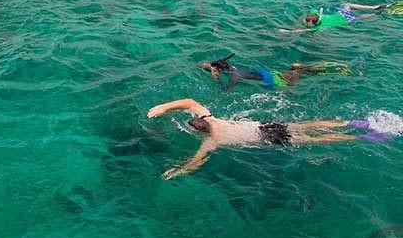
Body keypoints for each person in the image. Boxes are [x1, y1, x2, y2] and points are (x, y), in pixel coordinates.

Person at [147, 98, 374, 180]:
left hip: (271, 139)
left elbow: (198, 162)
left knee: (315, 140)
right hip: (267, 126)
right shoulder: (212, 118)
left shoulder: (212, 141)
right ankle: (352, 124)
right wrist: (164, 107)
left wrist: (178, 171)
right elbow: (190, 102)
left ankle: (360, 137)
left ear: (200, 131)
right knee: (309, 126)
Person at [199, 53, 351, 91]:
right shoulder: (232, 69)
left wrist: (216, 79)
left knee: (292, 84)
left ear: (218, 69)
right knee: (294, 73)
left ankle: (302, 70)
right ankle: (300, 69)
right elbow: (207, 65)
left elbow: (226, 91)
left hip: (273, 80)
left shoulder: (235, 75)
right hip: (269, 73)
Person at [281, 1, 403, 33]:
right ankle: (374, 7)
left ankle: (376, 13)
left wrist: (287, 31)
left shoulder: (321, 27)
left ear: (312, 23)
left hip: (347, 20)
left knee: (359, 18)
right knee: (346, 5)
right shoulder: (318, 15)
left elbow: (301, 30)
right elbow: (313, 12)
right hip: (341, 14)